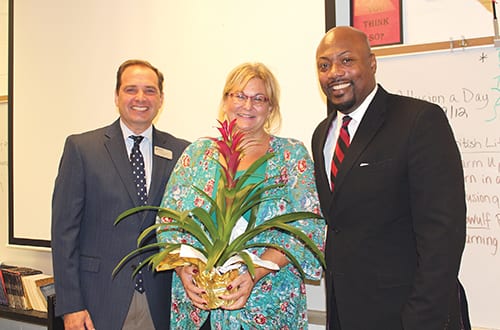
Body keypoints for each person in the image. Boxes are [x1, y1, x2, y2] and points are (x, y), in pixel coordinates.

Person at [311, 26, 470, 330]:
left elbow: (443, 234)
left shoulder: (419, 121)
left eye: (347, 61)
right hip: (347, 315)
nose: (334, 72)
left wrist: (420, 319)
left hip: (408, 316)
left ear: (372, 63)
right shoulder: (322, 134)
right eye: (324, 65)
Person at [157, 62, 325, 329]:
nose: (248, 106)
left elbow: (308, 229)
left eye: (259, 98)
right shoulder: (198, 154)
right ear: (225, 100)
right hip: (199, 309)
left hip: (267, 309)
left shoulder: (291, 156)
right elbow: (169, 223)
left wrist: (255, 273)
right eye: (239, 96)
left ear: (271, 108)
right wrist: (182, 269)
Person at [51, 59, 189, 330]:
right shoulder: (82, 148)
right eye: (131, 89)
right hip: (97, 300)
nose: (140, 98)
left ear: (161, 99)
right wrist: (71, 306)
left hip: (161, 301)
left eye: (150, 91)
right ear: (117, 96)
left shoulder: (182, 152)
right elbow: (64, 234)